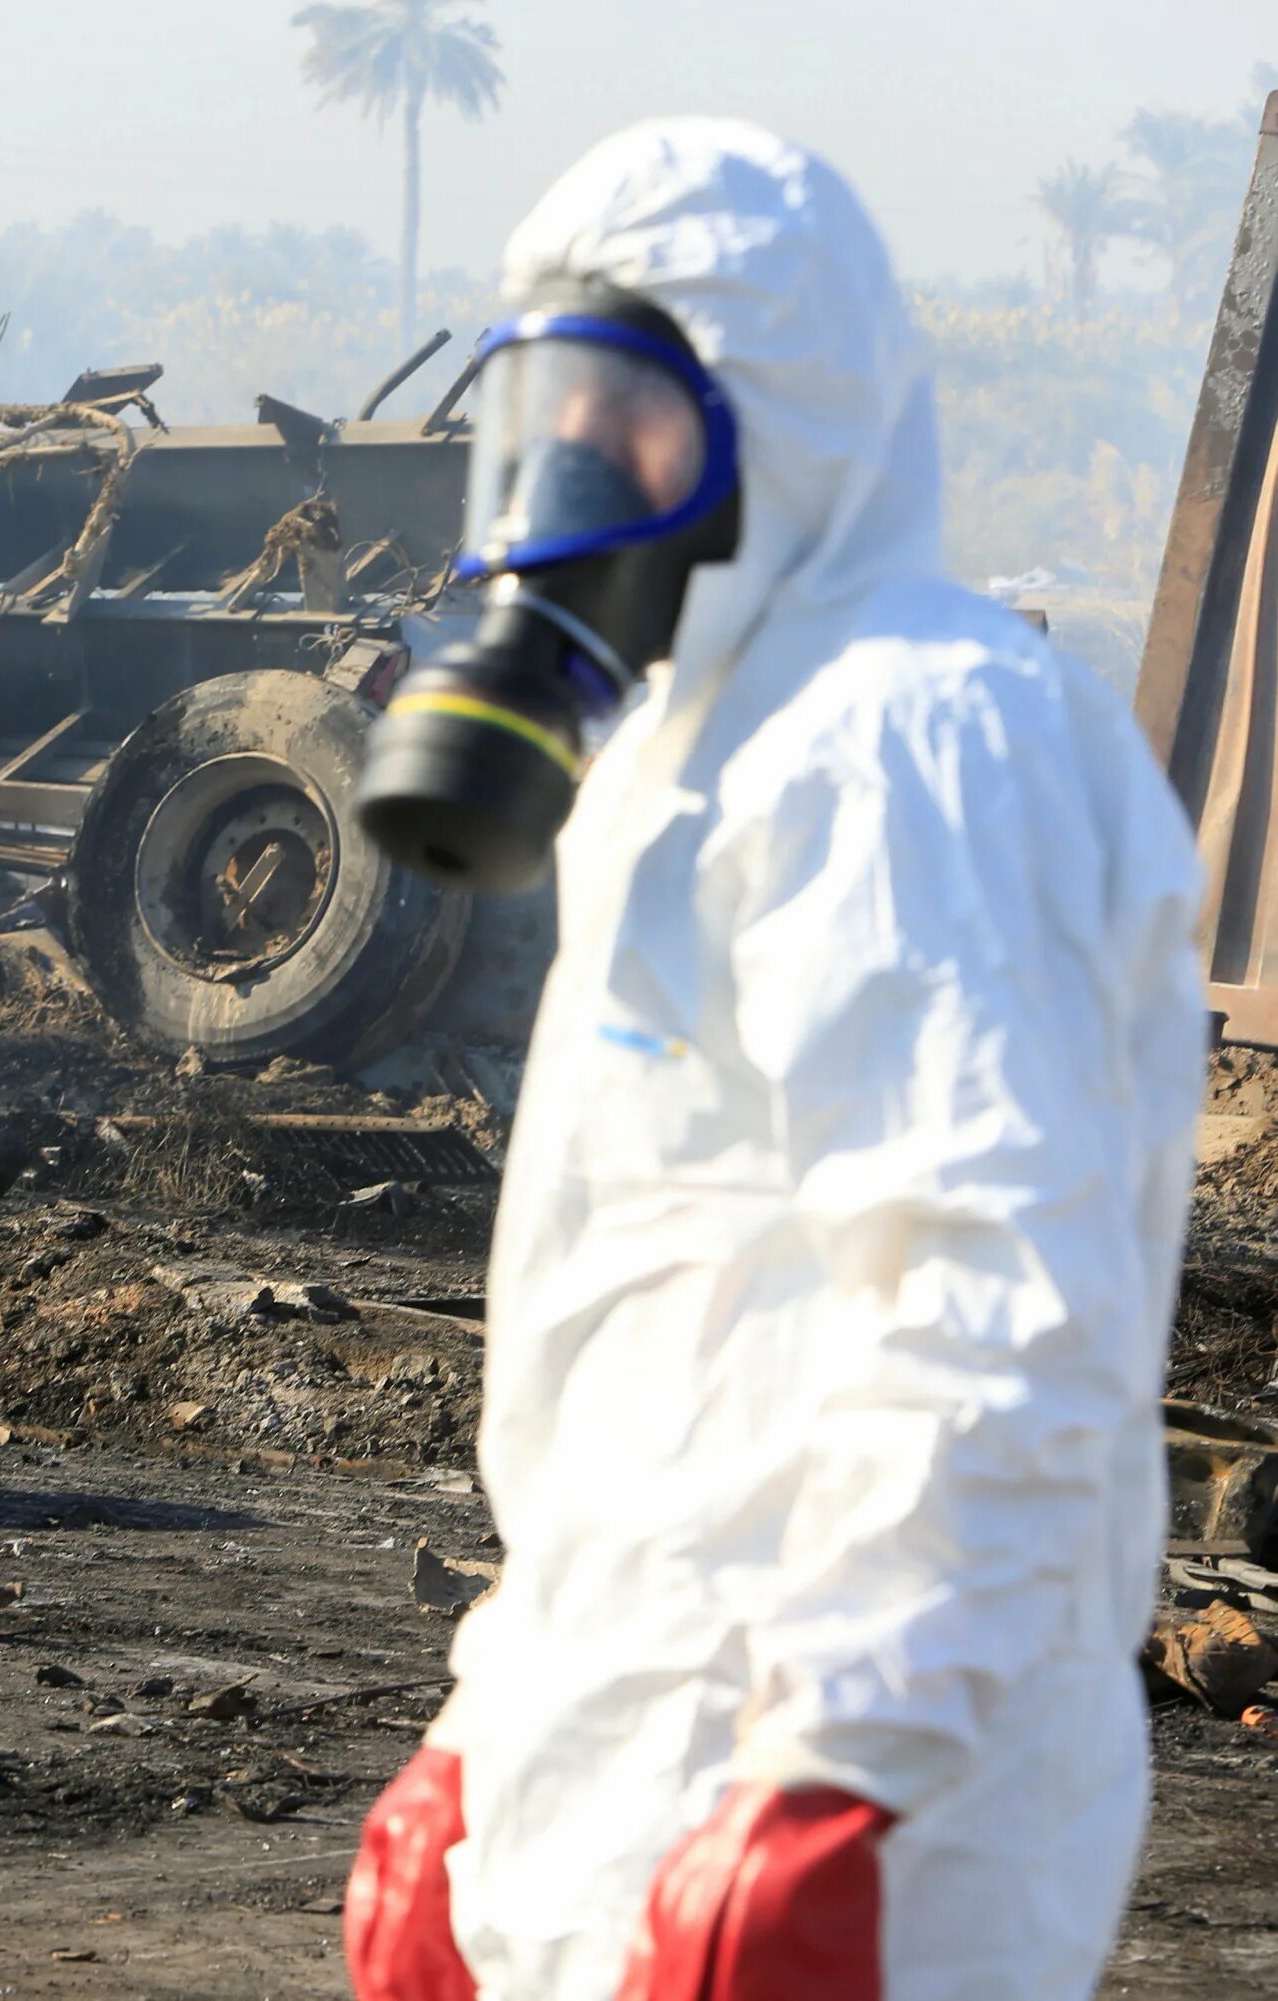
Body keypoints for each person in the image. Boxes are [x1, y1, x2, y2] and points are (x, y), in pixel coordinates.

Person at [340, 122, 1207, 1999]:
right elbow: (641, 1337)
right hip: (616, 1787)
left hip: (850, 1837)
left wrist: (844, 1781)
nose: (573, 467)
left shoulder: (917, 733)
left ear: (781, 430)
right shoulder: (673, 764)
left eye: (628, 412)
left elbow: (999, 1300)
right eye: (544, 409)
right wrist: (481, 1735)